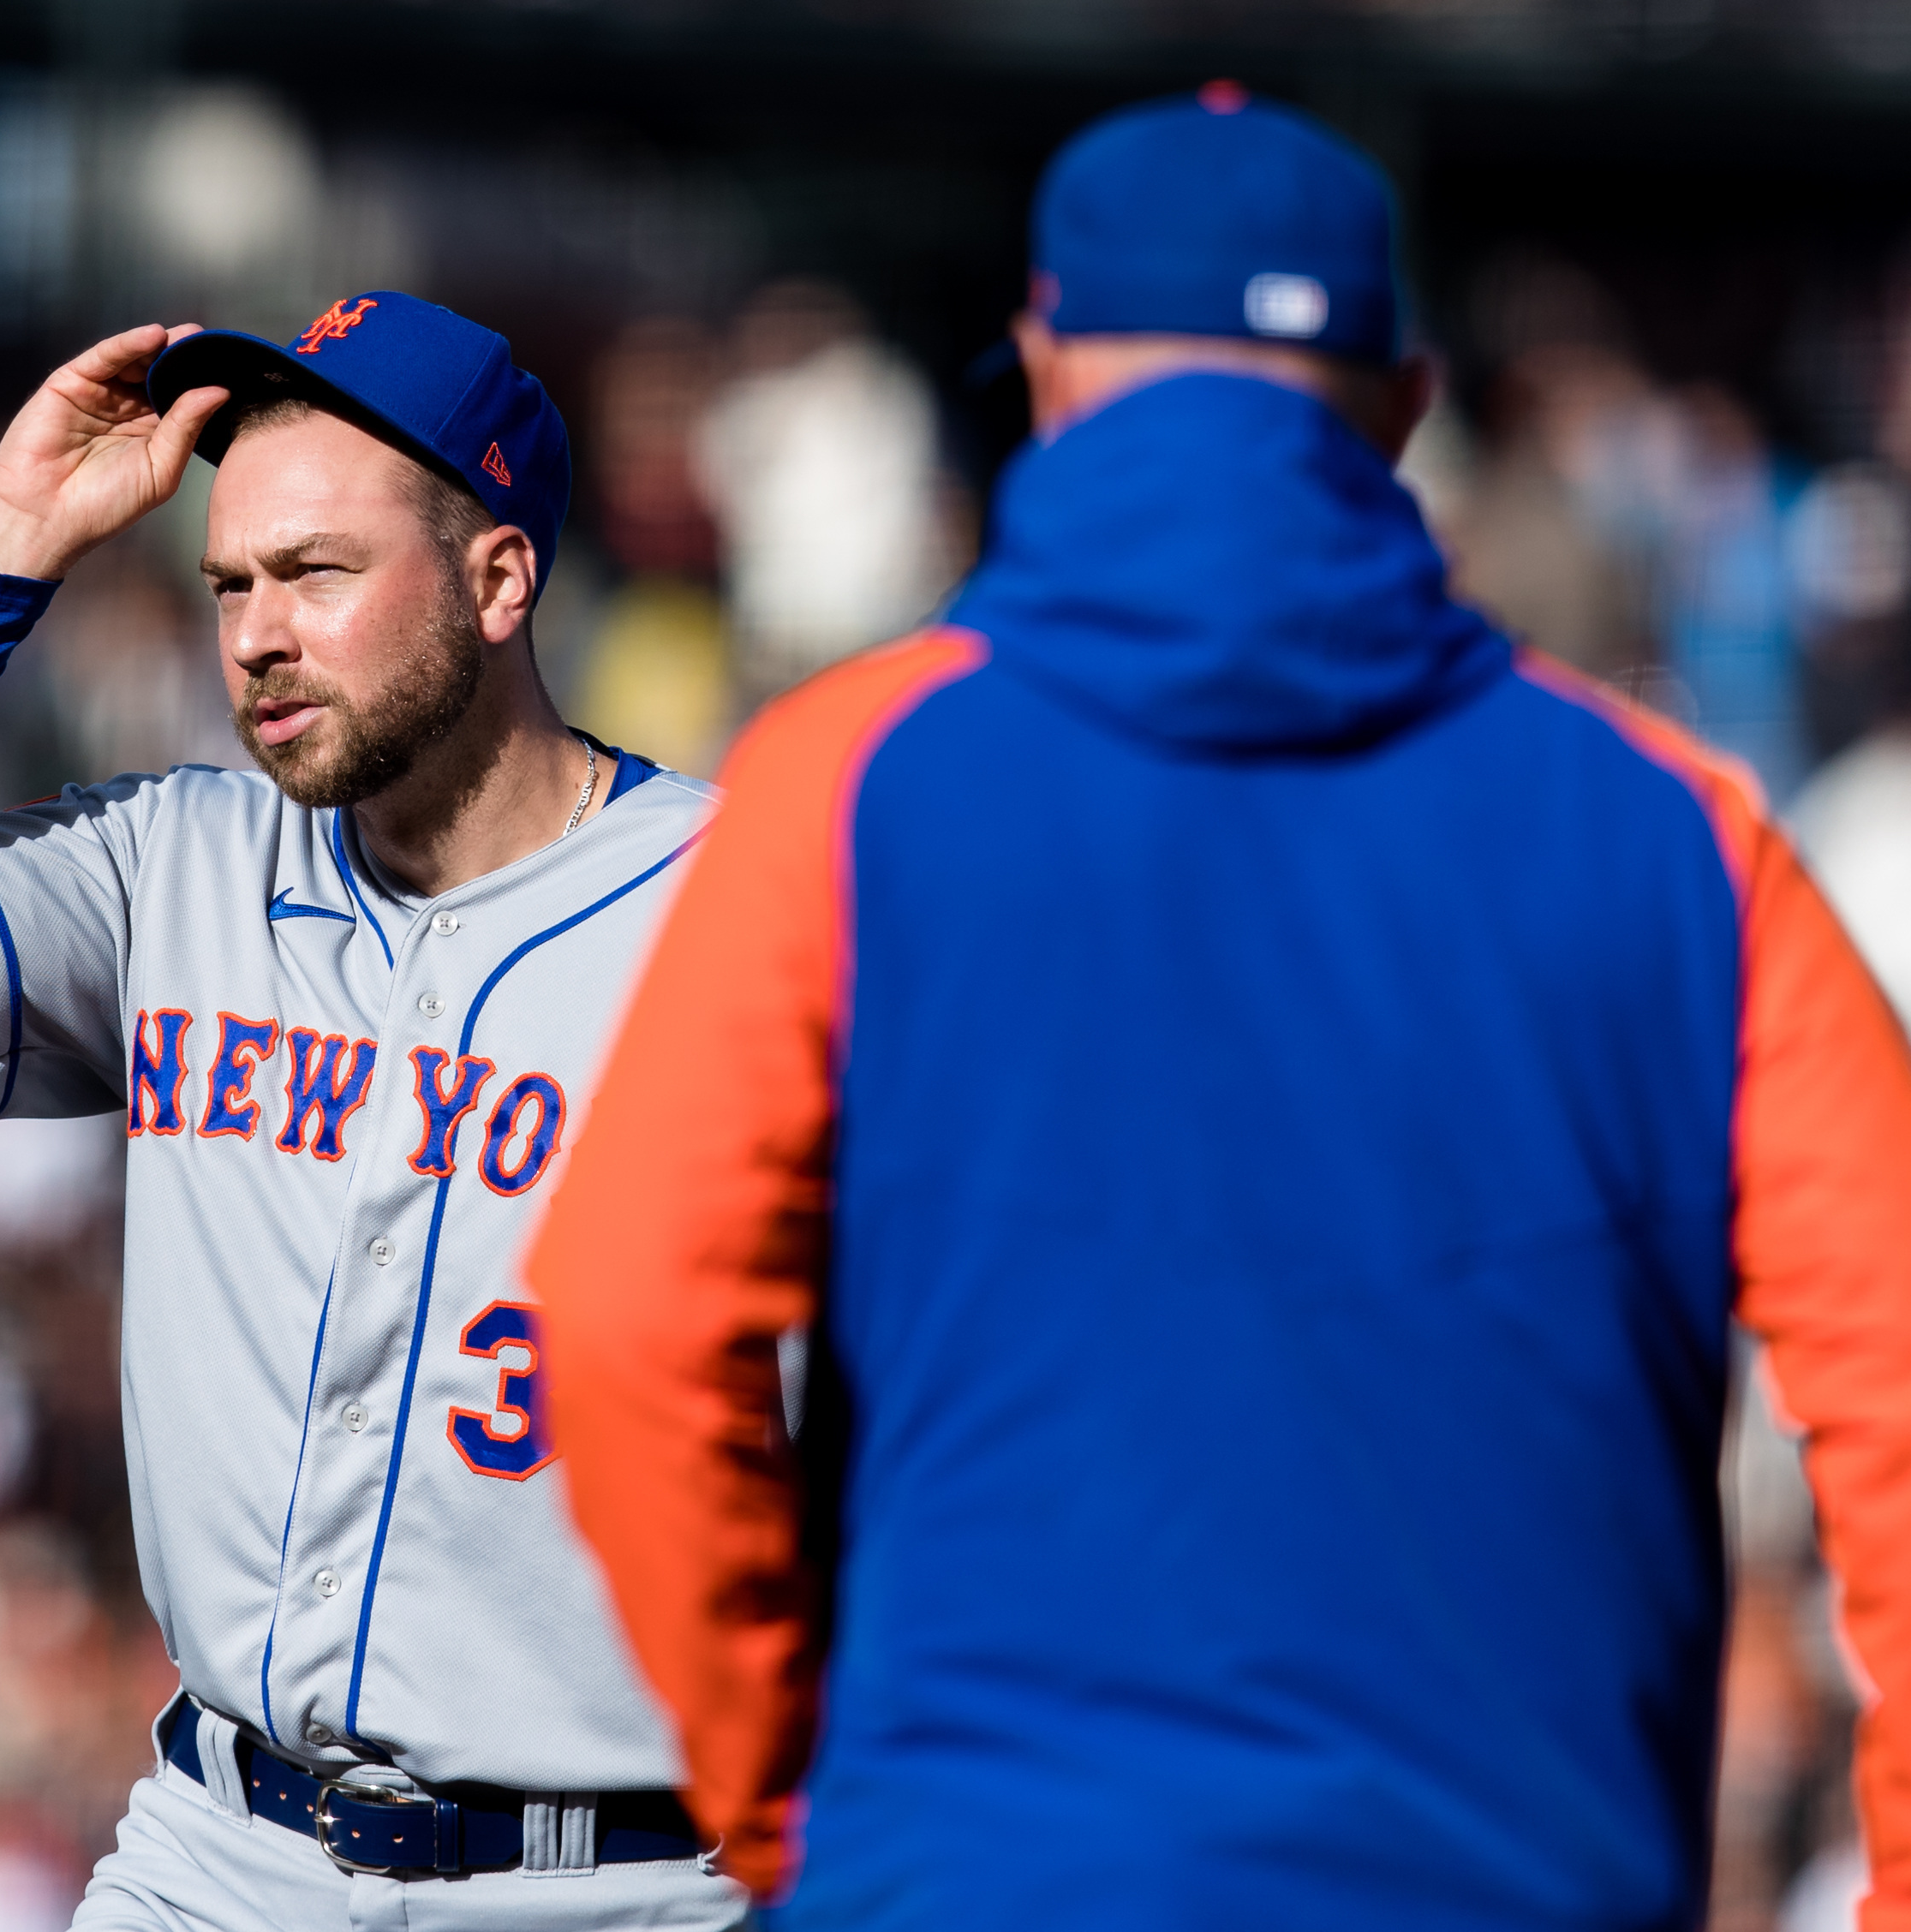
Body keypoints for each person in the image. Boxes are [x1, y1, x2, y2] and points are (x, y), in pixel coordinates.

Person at [529, 87, 1911, 1932]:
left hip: (983, 1871)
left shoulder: (846, 782)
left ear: (1038, 365)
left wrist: (796, 1796)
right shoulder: (1685, 838)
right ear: (1406, 403)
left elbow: (620, 1322)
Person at [0, 295, 747, 1930]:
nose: (256, 633)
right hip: (223, 1860)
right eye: (229, 584)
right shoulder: (174, 869)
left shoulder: (760, 918)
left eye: (318, 572)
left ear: (499, 578)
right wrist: (4, 546)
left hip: (627, 1881)